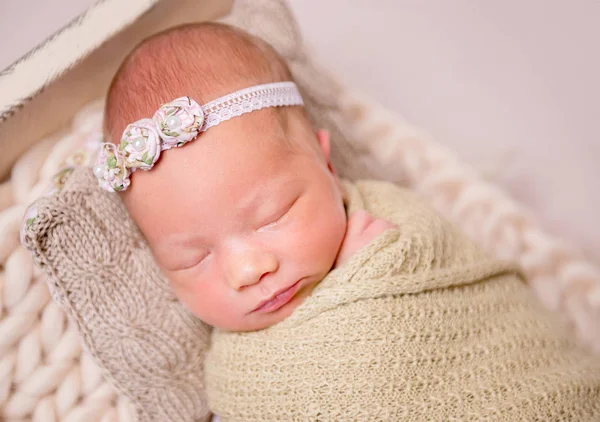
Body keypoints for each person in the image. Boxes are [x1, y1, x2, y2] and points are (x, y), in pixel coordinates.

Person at [94, 22, 600, 421]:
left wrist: (367, 280)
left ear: (327, 165)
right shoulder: (235, 374)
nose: (247, 269)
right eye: (192, 258)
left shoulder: (394, 232)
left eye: (273, 215)